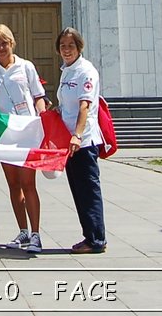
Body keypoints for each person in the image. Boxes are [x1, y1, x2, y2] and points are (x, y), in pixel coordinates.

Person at [0, 23, 47, 252]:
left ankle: (36, 234)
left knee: (28, 183)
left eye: (4, 43)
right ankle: (22, 231)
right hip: (6, 132)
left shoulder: (26, 67)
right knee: (13, 184)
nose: (1, 48)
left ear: (12, 43)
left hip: (27, 131)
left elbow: (38, 95)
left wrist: (43, 116)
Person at [55, 27, 106, 254]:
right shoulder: (67, 71)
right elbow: (68, 104)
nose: (67, 50)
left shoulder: (86, 71)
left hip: (83, 143)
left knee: (88, 190)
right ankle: (90, 235)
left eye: (71, 46)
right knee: (78, 191)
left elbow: (84, 106)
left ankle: (96, 239)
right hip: (69, 143)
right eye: (63, 46)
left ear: (79, 47)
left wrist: (77, 134)